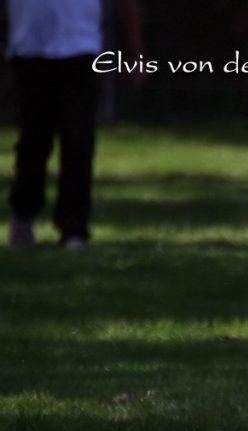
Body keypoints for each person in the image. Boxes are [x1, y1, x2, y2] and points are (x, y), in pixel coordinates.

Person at [6, 0, 144, 249]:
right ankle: (24, 212)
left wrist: (136, 55)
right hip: (29, 48)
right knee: (33, 140)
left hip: (80, 48)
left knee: (78, 140)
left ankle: (73, 227)